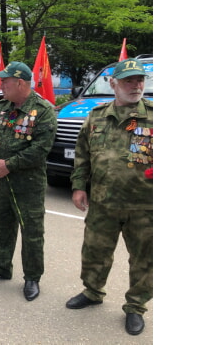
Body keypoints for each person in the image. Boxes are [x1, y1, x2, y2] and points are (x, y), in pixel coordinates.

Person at [65, 58, 153, 336]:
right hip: (103, 202)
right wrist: (79, 186)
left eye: (140, 80)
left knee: (144, 259)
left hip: (145, 205)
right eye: (129, 80)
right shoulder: (97, 116)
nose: (136, 85)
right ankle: (92, 292)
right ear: (113, 84)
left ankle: (136, 306)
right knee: (95, 252)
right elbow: (82, 154)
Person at [0, 61, 56, 302]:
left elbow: (41, 149)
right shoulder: (0, 107)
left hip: (28, 184)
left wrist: (9, 164)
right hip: (1, 181)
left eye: (5, 81)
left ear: (20, 83)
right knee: (0, 225)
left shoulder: (43, 110)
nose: (1, 85)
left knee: (32, 231)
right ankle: (1, 267)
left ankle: (32, 277)